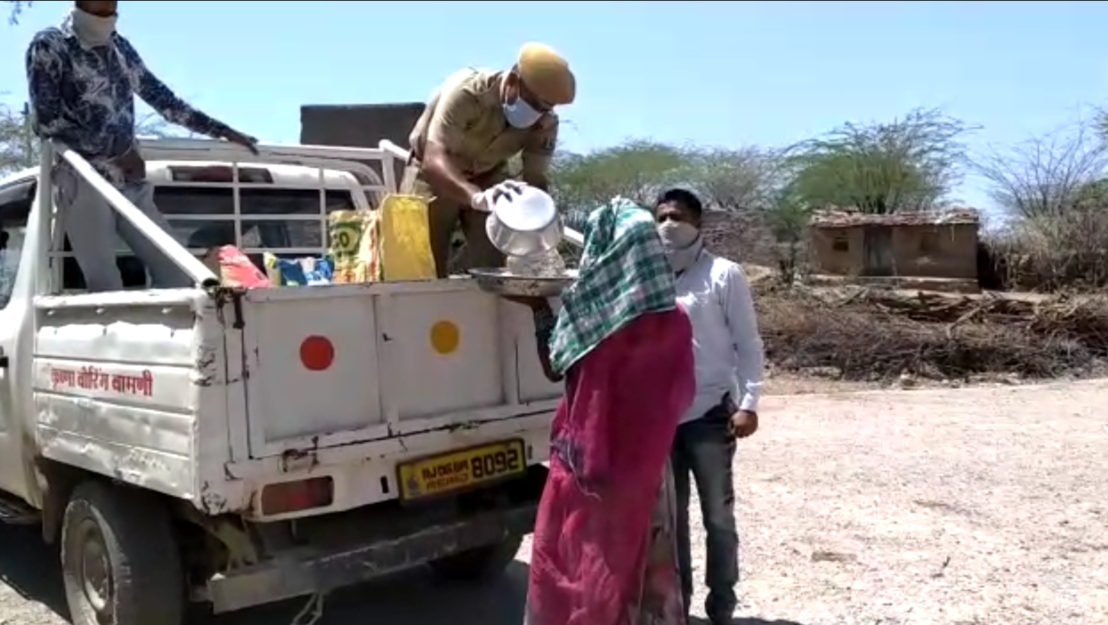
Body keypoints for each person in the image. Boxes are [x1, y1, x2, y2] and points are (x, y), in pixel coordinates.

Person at [521, 197, 695, 625]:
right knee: (640, 562)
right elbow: (681, 394)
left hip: (587, 474)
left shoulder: (593, 318)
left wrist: (538, 308)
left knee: (580, 565)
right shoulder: (675, 317)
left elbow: (552, 366)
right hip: (647, 471)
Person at [25, 0, 258, 292]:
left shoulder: (119, 47)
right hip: (83, 180)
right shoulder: (50, 45)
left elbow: (163, 99)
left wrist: (220, 130)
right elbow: (47, 121)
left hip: (130, 180)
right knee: (105, 283)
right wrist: (114, 151)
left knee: (178, 273)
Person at [654, 188, 766, 625]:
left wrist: (750, 402)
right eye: (661, 216)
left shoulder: (724, 274)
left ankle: (721, 606)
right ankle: (676, 607)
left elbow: (748, 342)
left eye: (677, 216)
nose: (668, 223)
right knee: (672, 521)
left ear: (697, 223)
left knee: (717, 517)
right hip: (662, 419)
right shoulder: (650, 276)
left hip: (709, 414)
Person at [403, 42, 575, 277]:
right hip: (434, 173)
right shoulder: (467, 91)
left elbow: (535, 180)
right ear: (513, 82)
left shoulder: (544, 123)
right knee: (421, 267)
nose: (538, 113)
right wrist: (475, 197)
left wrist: (539, 227)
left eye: (545, 108)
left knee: (499, 266)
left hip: (489, 176)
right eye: (534, 104)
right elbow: (434, 159)